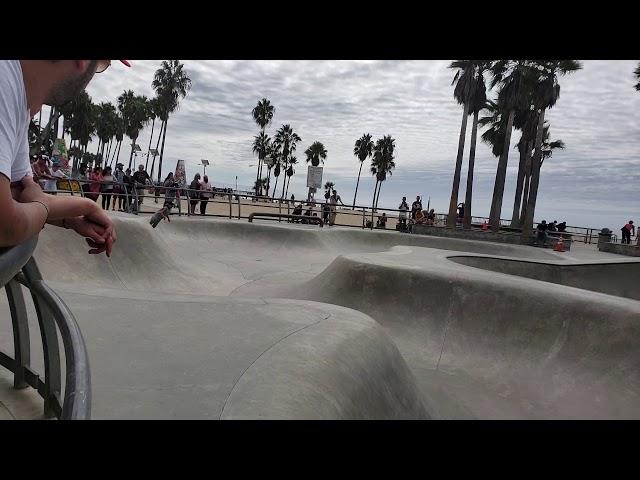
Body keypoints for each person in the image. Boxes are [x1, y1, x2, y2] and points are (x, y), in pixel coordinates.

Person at [0, 59, 122, 256]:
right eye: (100, 64)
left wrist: (74, 215)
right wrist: (47, 207)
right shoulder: (3, 78)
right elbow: (5, 224)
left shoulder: (20, 98)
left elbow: (22, 195)